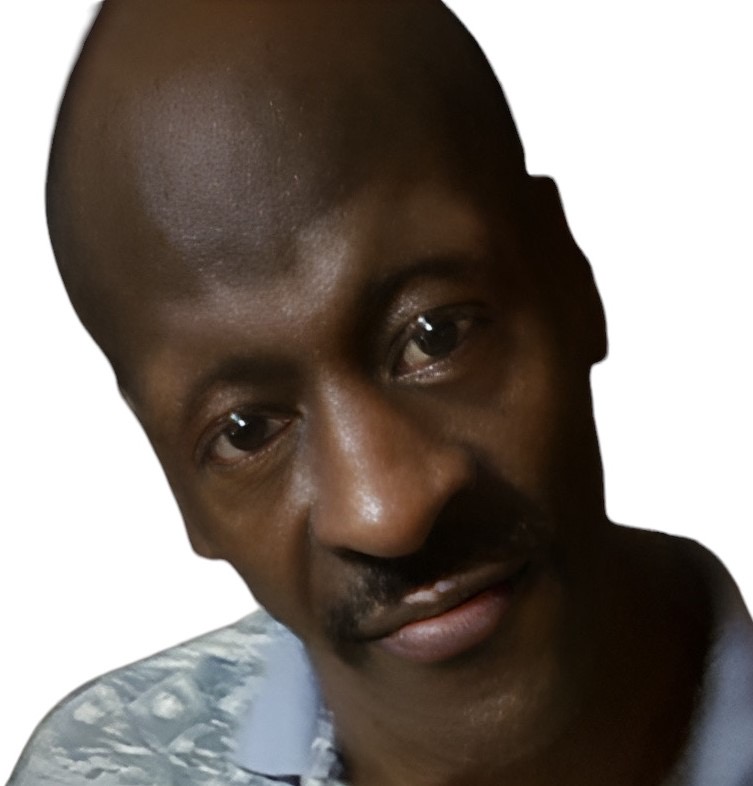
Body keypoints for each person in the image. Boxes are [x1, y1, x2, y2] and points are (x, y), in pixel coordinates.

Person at [7, 1, 753, 785]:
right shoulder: (97, 767)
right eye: (246, 429)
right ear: (176, 484)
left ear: (568, 284)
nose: (386, 512)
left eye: (436, 335)